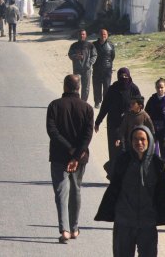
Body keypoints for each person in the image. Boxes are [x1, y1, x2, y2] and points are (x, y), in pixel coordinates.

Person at [95, 125, 165, 257]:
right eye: (135, 139)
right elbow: (114, 188)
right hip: (124, 222)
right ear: (131, 141)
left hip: (147, 223)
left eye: (143, 139)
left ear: (149, 141)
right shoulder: (122, 161)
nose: (139, 142)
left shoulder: (157, 164)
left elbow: (164, 194)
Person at [46, 74, 94, 244]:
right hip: (80, 158)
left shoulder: (54, 106)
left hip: (59, 156)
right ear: (79, 88)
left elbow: (52, 132)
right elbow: (88, 136)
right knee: (76, 189)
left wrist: (69, 150)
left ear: (65, 87)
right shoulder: (87, 108)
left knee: (61, 192)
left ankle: (64, 230)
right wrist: (75, 155)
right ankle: (74, 229)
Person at [95, 67, 141, 177]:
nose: (123, 78)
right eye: (121, 77)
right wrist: (98, 121)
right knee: (115, 149)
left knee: (128, 149)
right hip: (114, 124)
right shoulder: (113, 89)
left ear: (129, 76)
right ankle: (114, 173)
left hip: (129, 124)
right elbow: (105, 106)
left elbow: (140, 104)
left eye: (126, 76)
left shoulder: (133, 89)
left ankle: (126, 174)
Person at [145, 78, 165, 168]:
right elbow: (146, 114)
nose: (159, 89)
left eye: (161, 87)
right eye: (158, 87)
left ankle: (164, 176)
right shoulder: (152, 99)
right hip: (153, 131)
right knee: (154, 154)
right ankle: (156, 177)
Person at [68, 29, 97, 102]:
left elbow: (94, 55)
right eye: (80, 34)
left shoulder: (90, 45)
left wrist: (89, 63)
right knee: (76, 86)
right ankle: (76, 101)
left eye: (83, 34)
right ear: (78, 35)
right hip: (77, 69)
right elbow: (70, 54)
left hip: (87, 69)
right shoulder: (74, 45)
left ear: (86, 35)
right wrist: (75, 56)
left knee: (86, 87)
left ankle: (83, 102)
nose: (82, 36)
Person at [92, 28, 115, 109]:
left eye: (105, 34)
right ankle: (97, 102)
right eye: (102, 34)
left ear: (107, 35)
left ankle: (106, 103)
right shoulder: (94, 45)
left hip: (107, 70)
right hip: (96, 69)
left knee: (107, 87)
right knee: (96, 87)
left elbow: (112, 57)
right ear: (99, 35)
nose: (103, 36)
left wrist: (108, 65)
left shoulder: (111, 45)